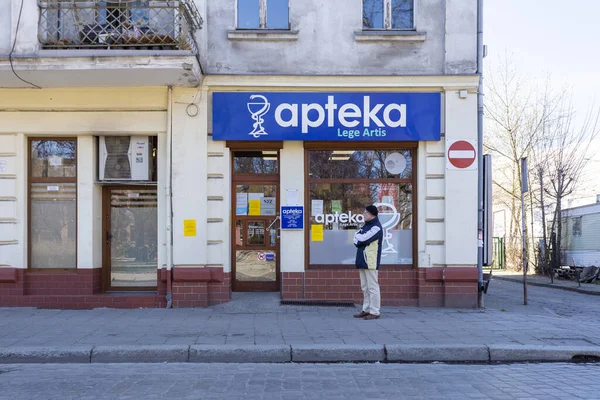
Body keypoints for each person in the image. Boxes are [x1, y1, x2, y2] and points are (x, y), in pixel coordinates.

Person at [353, 205, 383, 320]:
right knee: (365, 287)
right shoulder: (366, 225)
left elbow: (363, 238)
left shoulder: (376, 227)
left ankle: (375, 311)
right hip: (362, 259)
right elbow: (356, 239)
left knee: (372, 287)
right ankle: (366, 309)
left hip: (370, 260)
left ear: (372, 214)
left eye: (365, 213)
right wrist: (359, 237)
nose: (363, 215)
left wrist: (359, 237)